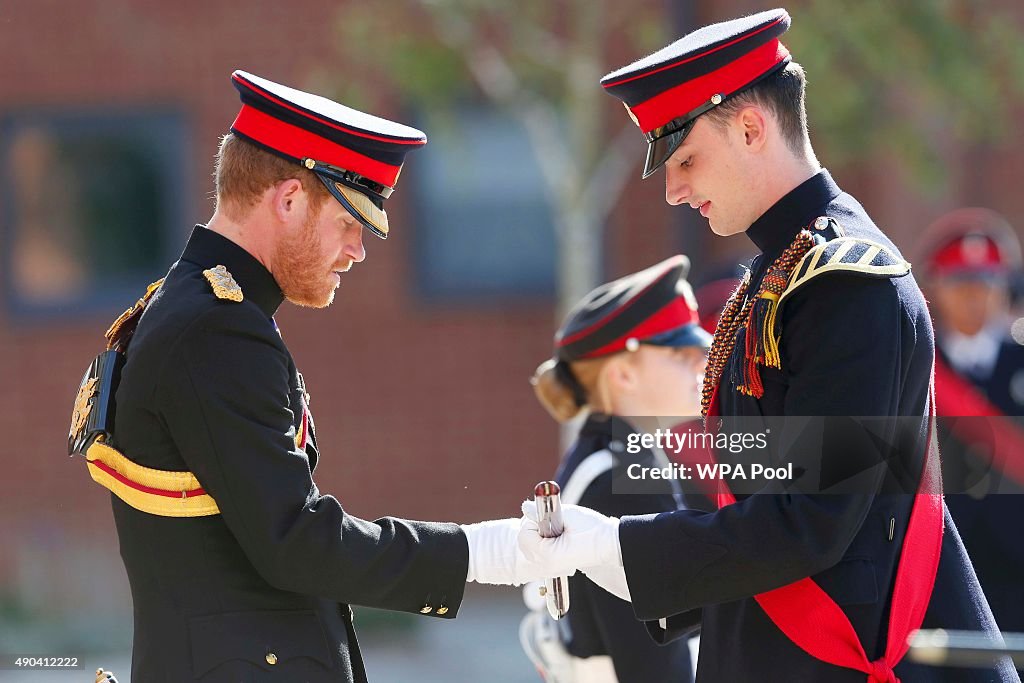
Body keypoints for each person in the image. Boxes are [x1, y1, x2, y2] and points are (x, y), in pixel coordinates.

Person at [518, 9, 1019, 682]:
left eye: (687, 159)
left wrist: (618, 545)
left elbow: (813, 519)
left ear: (752, 127)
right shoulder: (779, 276)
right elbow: (756, 475)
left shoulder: (844, 281)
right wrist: (604, 548)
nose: (673, 189)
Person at [67, 70, 548, 683]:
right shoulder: (217, 331)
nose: (358, 250)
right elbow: (297, 541)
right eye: (350, 221)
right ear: (289, 200)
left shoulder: (189, 308)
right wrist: (487, 552)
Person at [523, 254, 707, 683]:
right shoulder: (623, 482)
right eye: (682, 354)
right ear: (623, 374)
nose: (702, 364)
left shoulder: (605, 457)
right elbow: (656, 669)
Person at [922, 209, 1024, 638]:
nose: (974, 296)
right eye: (960, 282)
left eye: (986, 282)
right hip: (939, 568)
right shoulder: (917, 366)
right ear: (936, 289)